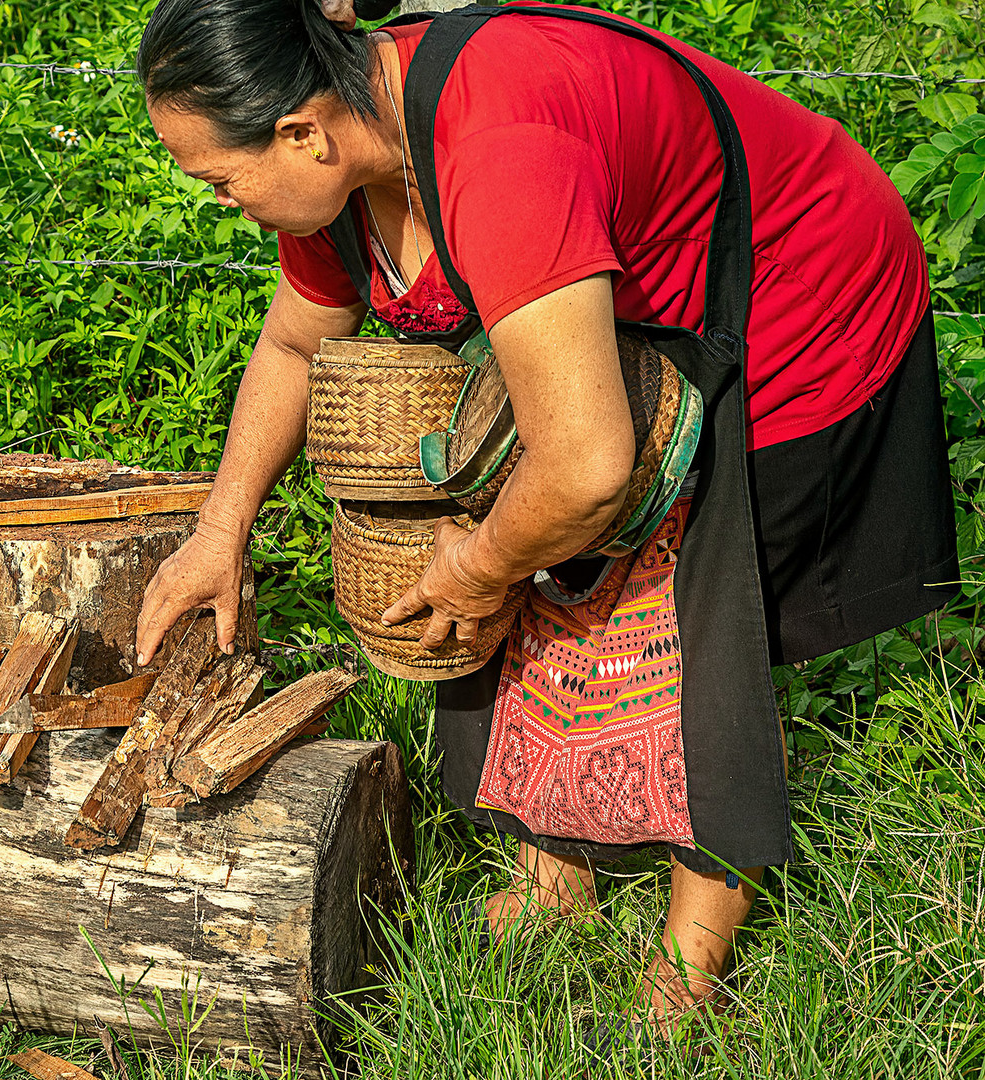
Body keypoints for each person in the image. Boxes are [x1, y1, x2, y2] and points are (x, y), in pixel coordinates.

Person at [129, 0, 959, 1037]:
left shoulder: (500, 148)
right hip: (630, 329)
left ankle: (692, 955)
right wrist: (220, 534)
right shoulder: (352, 148)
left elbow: (587, 465)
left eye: (218, 179)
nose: (218, 201)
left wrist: (483, 568)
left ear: (302, 131)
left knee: (700, 614)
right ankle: (556, 869)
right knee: (542, 553)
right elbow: (298, 345)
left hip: (791, 305)